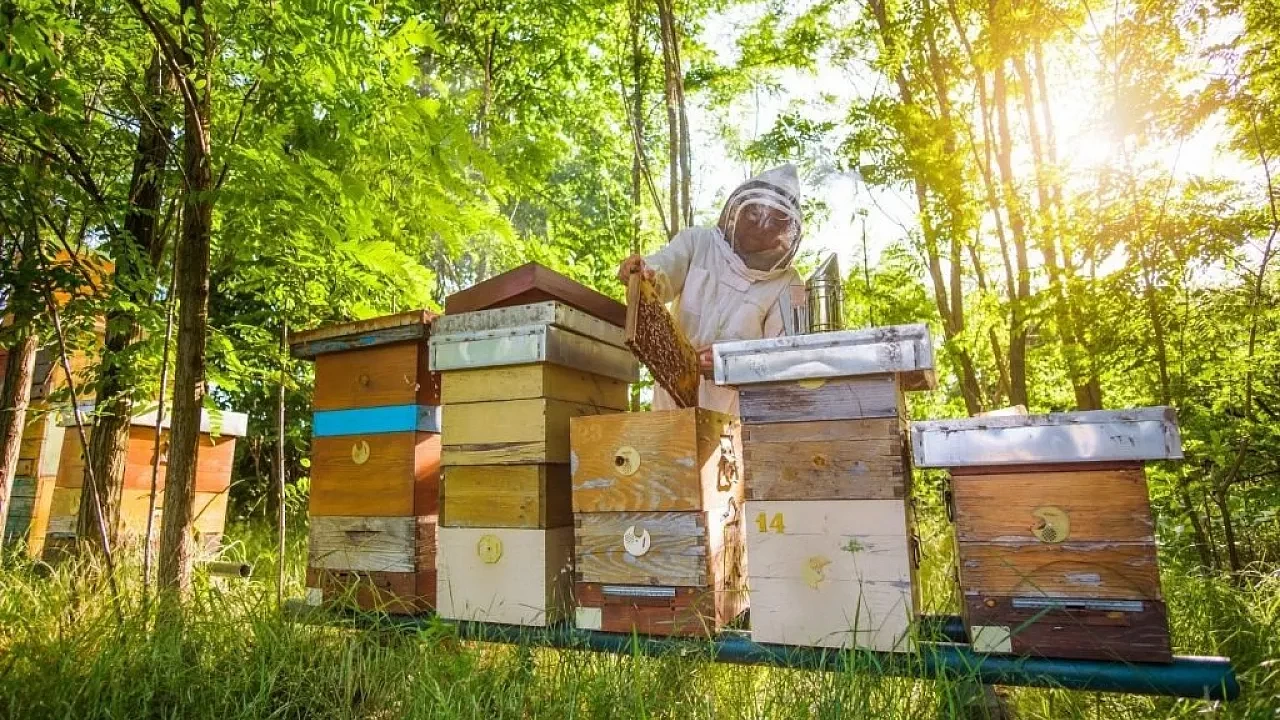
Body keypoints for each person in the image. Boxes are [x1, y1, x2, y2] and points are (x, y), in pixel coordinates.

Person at [617, 164, 806, 415]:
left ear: (784, 232)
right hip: (671, 405)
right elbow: (663, 272)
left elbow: (784, 358)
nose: (761, 226)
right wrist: (643, 273)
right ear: (738, 212)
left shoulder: (789, 283)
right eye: (755, 216)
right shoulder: (698, 242)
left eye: (773, 223)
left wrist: (730, 364)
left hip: (736, 415)